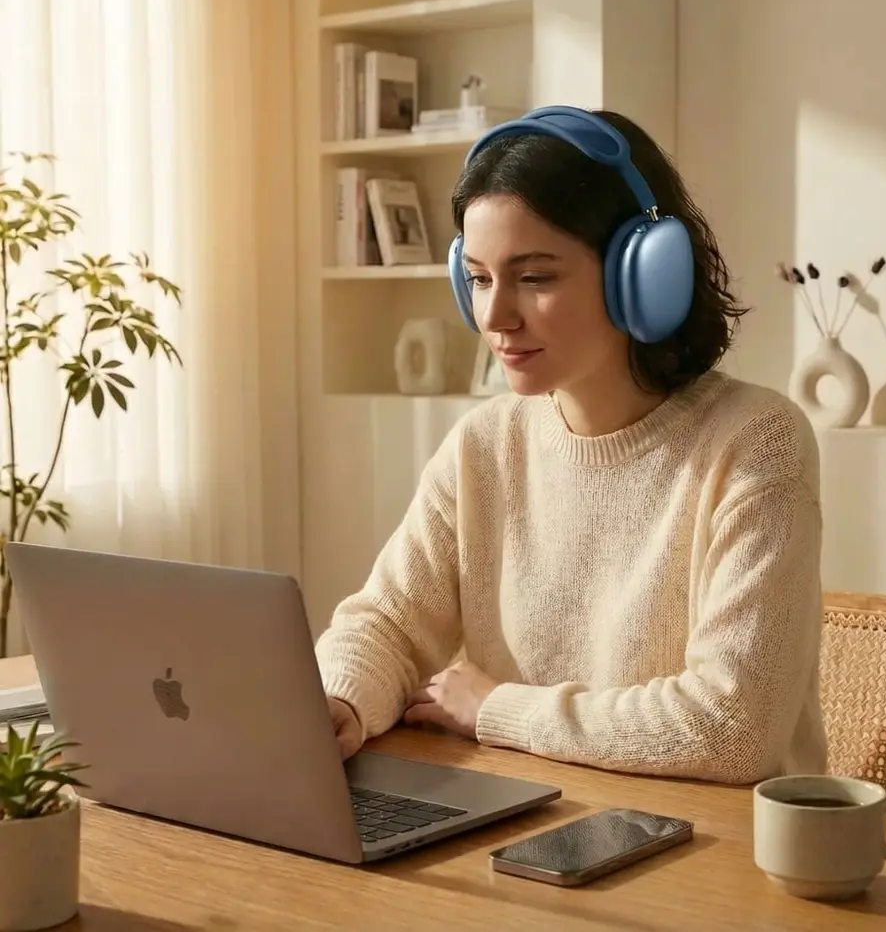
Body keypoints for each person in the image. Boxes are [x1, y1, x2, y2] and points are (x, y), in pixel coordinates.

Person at [314, 106, 828, 784]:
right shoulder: (483, 446)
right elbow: (388, 624)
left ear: (645, 273)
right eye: (478, 278)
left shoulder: (756, 441)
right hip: (527, 823)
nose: (495, 317)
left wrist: (498, 709)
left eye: (535, 277)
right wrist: (342, 699)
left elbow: (732, 730)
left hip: (717, 856)